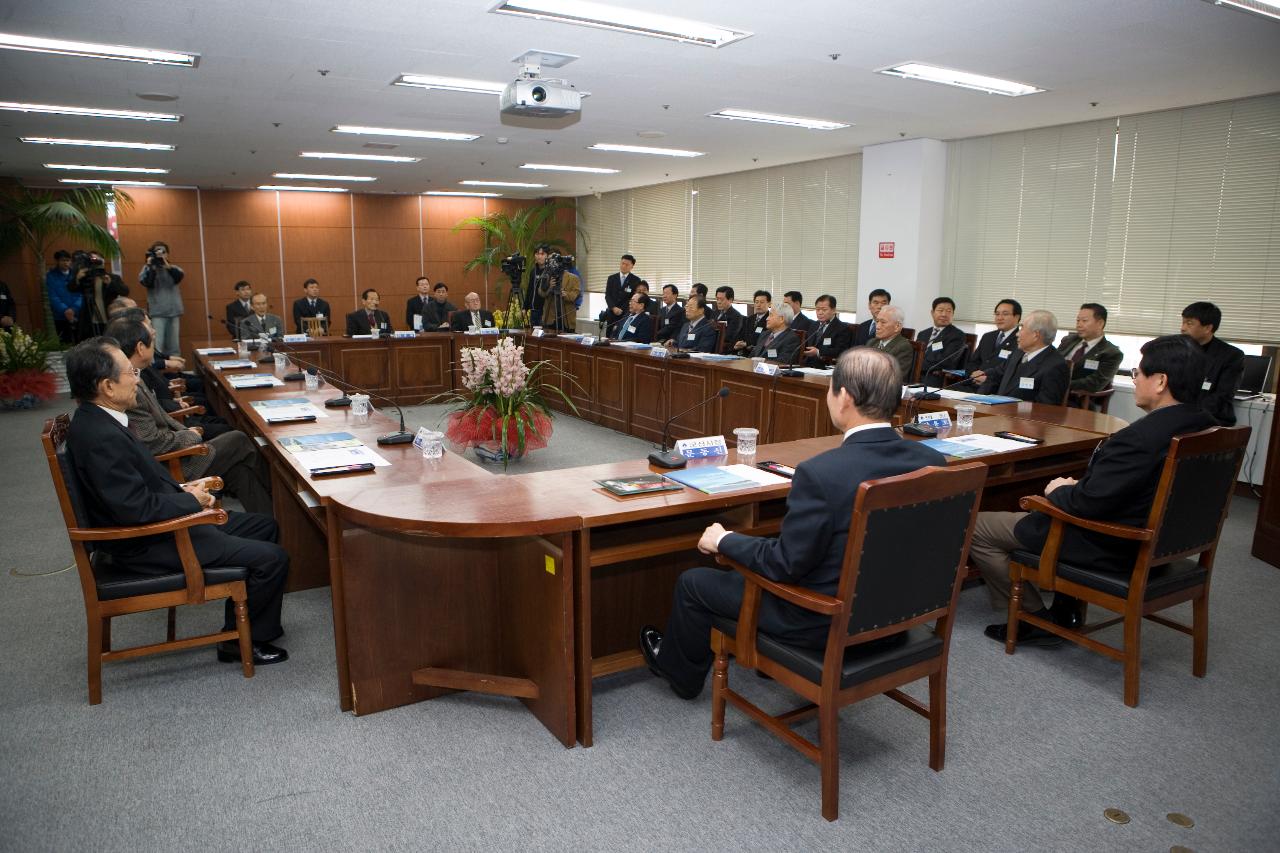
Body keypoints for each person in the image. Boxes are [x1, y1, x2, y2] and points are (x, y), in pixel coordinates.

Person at [639, 347, 947, 699]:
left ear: (843, 397)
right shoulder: (932, 460)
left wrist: (725, 540)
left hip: (821, 622)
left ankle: (679, 675)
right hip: (897, 616)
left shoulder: (822, 474)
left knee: (694, 582)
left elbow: (784, 565)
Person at [969, 335, 1216, 645]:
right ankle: (1065, 602)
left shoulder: (1140, 438)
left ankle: (1032, 618)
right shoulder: (1206, 426)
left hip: (1113, 543)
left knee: (976, 526)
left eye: (1137, 373)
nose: (1134, 379)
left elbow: (1087, 505)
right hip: (1169, 542)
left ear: (1161, 381)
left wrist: (1059, 490)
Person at [63, 337, 289, 665]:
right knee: (273, 558)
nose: (138, 379)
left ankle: (244, 627)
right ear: (107, 387)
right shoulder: (100, 438)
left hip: (157, 524)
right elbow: (135, 509)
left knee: (265, 526)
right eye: (130, 374)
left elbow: (139, 484)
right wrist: (192, 503)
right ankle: (243, 644)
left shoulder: (100, 420)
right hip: (148, 542)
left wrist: (183, 488)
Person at [107, 317, 274, 517]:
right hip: (175, 464)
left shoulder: (135, 378)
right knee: (238, 438)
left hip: (178, 449)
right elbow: (153, 442)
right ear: (141, 348)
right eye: (151, 337)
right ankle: (278, 492)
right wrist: (191, 435)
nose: (155, 335)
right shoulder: (130, 387)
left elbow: (162, 420)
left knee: (241, 473)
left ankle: (275, 520)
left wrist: (186, 432)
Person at [973, 310, 1070, 404]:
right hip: (997, 412)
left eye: (1022, 328)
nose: (1017, 334)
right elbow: (996, 375)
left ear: (1036, 335)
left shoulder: (1056, 366)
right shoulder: (1018, 352)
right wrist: (979, 399)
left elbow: (1046, 407)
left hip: (1021, 418)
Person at [1181, 301, 1245, 426]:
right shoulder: (1178, 350)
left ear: (1208, 328)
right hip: (1180, 416)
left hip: (1213, 420)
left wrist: (1188, 415)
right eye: (1183, 322)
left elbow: (1222, 395)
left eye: (1189, 323)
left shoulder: (1231, 355)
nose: (1182, 328)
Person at [1057, 303, 1123, 396]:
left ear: (1100, 323)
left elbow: (1095, 383)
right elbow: (1051, 362)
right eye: (1077, 321)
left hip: (1076, 398)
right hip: (1050, 391)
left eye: (1084, 321)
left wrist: (1060, 384)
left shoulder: (1111, 353)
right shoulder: (1068, 340)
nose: (1079, 325)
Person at [69, 251, 129, 339]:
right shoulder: (86, 278)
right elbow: (71, 289)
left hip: (109, 317)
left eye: (97, 260)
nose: (95, 263)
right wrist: (77, 278)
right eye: (92, 260)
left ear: (103, 261)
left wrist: (110, 283)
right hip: (89, 319)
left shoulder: (112, 277)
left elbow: (125, 291)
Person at [138, 241, 184, 354]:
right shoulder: (147, 269)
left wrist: (166, 265)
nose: (160, 254)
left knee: (174, 347)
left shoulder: (174, 268)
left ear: (167, 254)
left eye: (163, 252)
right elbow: (147, 282)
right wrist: (151, 266)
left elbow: (178, 277)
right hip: (157, 313)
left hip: (174, 312)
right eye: (157, 252)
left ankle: (174, 370)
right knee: (157, 347)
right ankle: (159, 370)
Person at [915, 297, 968, 384]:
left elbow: (946, 361)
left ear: (953, 314)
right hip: (915, 374)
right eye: (940, 310)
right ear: (932, 313)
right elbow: (915, 356)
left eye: (948, 311)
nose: (944, 314)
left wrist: (918, 365)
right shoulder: (923, 333)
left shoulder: (957, 335)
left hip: (934, 377)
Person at [967, 299, 1021, 375]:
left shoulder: (1021, 340)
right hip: (973, 382)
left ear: (1016, 317)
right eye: (997, 314)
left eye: (1005, 314)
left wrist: (988, 378)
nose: (999, 318)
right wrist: (973, 374)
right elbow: (973, 362)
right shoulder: (987, 336)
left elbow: (1014, 371)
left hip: (996, 385)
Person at [802, 294, 853, 366]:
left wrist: (818, 352)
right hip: (806, 365)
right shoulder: (813, 325)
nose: (820, 313)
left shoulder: (842, 328)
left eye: (824, 309)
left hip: (826, 366)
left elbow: (841, 351)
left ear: (833, 310)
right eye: (817, 309)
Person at [868, 305, 914, 379]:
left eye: (883, 322)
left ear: (897, 327)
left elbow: (894, 377)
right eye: (877, 321)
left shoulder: (903, 347)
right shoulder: (872, 342)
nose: (878, 326)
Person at [537, 260, 581, 332]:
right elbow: (541, 293)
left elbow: (575, 295)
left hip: (567, 319)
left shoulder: (573, 278)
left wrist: (566, 294)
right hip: (550, 318)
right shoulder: (546, 276)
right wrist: (549, 287)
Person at [48, 250, 81, 343]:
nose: (66, 263)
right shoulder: (51, 276)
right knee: (65, 342)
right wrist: (65, 310)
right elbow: (53, 296)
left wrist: (74, 309)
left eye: (68, 260)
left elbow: (81, 294)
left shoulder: (76, 274)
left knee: (81, 342)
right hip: (60, 316)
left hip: (77, 313)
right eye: (63, 260)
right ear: (57, 261)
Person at [599, 254, 639, 329]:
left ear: (632, 266)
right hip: (611, 313)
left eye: (627, 264)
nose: (624, 266)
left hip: (626, 313)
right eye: (622, 263)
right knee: (609, 336)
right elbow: (608, 295)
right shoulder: (611, 278)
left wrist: (623, 310)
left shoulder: (636, 280)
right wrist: (613, 308)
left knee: (621, 335)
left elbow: (633, 298)